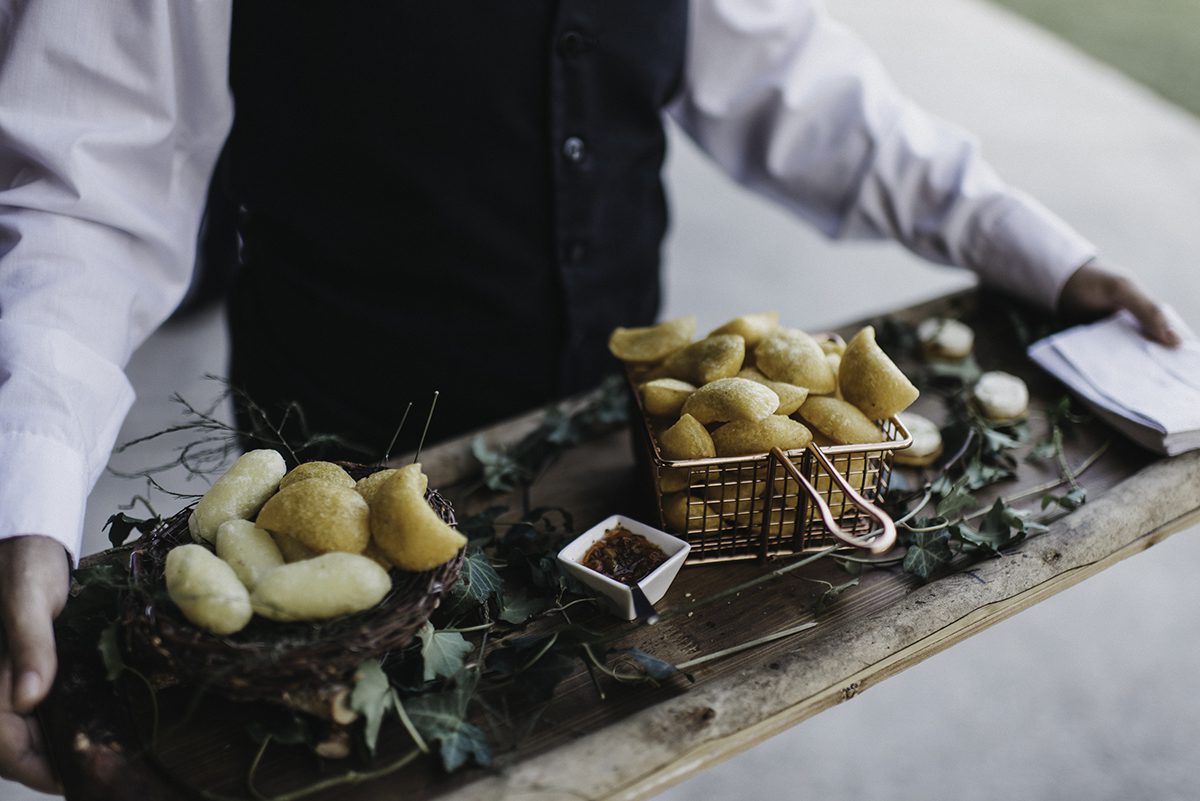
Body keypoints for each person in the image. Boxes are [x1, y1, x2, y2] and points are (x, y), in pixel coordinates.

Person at [0, 0, 1179, 792]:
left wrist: (1023, 240)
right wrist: (26, 492)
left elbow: (786, 73)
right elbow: (91, 189)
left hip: (609, 467)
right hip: (348, 469)